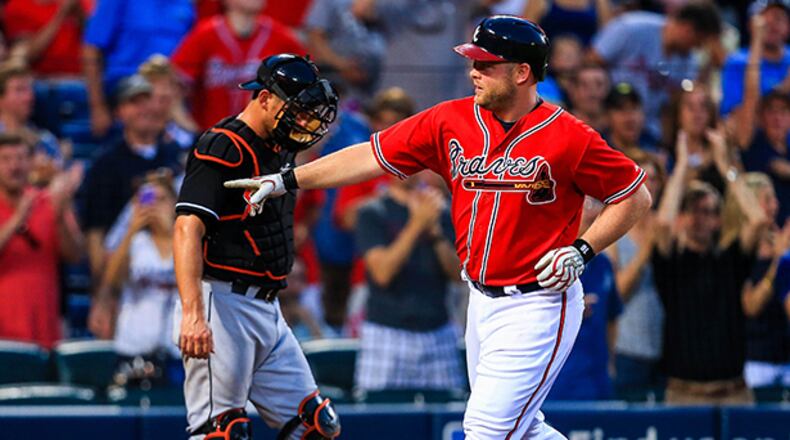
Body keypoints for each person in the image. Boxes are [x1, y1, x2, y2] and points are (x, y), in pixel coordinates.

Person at [225, 16, 652, 439]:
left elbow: (634, 196)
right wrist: (289, 178)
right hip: (480, 302)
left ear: (522, 72)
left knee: (485, 430)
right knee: (523, 431)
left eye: (486, 65)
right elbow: (369, 155)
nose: (473, 72)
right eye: (473, 62)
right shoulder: (450, 120)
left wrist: (582, 249)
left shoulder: (568, 135)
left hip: (538, 303)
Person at [172, 54, 341, 439]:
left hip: (268, 307)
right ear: (264, 98)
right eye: (295, 110)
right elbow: (186, 228)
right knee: (222, 431)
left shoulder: (281, 145)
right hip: (222, 302)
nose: (302, 121)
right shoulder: (223, 145)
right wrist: (193, 314)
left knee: (316, 426)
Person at [653, 128, 768, 405]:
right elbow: (663, 224)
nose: (701, 218)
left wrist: (725, 165)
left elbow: (757, 220)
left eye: (709, 211)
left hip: (734, 393)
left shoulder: (730, 261)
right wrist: (681, 165)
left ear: (718, 219)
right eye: (693, 210)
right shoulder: (672, 264)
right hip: (684, 395)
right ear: (684, 215)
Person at [354, 171, 465, 393]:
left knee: (448, 409)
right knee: (379, 413)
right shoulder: (373, 211)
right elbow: (382, 273)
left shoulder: (442, 211)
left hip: (438, 331)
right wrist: (417, 225)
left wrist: (435, 234)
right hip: (386, 333)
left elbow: (458, 276)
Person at [78, 74, 182, 280]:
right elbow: (96, 231)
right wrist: (102, 291)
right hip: (126, 273)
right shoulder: (105, 165)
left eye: (150, 100)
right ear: (119, 112)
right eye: (135, 102)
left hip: (174, 270)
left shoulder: (178, 157)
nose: (146, 108)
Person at [589, 1, 722, 139]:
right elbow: (591, 62)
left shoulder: (688, 61)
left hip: (648, 132)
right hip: (608, 124)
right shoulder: (631, 28)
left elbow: (673, 107)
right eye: (697, 42)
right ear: (687, 29)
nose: (697, 48)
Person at [0, 133, 84, 348]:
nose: (14, 166)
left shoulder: (49, 202)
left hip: (45, 329)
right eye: (6, 159)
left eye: (20, 159)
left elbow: (75, 255)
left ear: (31, 163)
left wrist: (60, 215)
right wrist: (18, 218)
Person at [171, 0, 305, 130]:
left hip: (261, 142)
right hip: (211, 137)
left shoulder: (281, 37)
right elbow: (172, 83)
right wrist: (192, 131)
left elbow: (308, 85)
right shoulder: (205, 34)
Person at [82, 0, 195, 137]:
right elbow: (92, 50)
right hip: (127, 81)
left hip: (170, 86)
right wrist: (97, 107)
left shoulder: (185, 4)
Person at [547, 198, 622, 401]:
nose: (591, 212)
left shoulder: (604, 264)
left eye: (597, 204)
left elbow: (612, 317)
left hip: (597, 377)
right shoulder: (548, 262)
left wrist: (611, 362)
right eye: (586, 205)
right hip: (558, 379)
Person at [720, 173, 790, 388]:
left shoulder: (781, 244)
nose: (775, 205)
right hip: (754, 363)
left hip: (786, 359)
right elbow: (750, 306)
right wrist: (779, 262)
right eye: (767, 200)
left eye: (775, 199)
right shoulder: (737, 251)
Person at [607, 151, 666, 400]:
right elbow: (616, 293)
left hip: (663, 348)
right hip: (627, 350)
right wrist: (646, 251)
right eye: (642, 177)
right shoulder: (613, 228)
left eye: (654, 179)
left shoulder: (666, 228)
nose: (648, 184)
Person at [720, 0, 790, 117]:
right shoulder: (737, 62)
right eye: (765, 19)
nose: (773, 23)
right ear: (751, 25)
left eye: (779, 18)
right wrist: (782, 90)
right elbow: (734, 117)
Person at [3, 0, 89, 78]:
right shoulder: (18, 7)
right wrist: (60, 15)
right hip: (42, 81)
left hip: (79, 78)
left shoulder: (77, 3)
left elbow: (94, 44)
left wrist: (81, 16)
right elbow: (28, 55)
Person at [522, 0, 613, 46]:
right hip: (547, 62)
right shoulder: (540, 1)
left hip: (586, 65)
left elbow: (607, 37)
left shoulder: (600, 2)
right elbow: (526, 33)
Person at [603, 83, 659, 157]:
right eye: (621, 110)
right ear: (607, 116)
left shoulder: (654, 147)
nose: (630, 118)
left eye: (634, 109)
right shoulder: (598, 150)